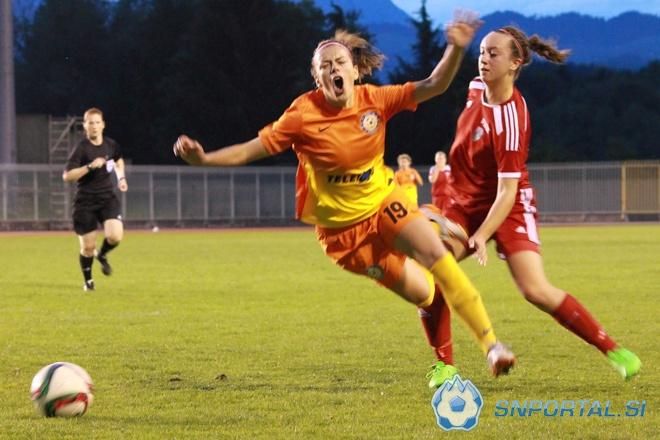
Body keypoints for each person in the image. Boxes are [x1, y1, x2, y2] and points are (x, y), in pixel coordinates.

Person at [174, 13, 517, 386]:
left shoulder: (376, 100)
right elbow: (248, 150)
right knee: (426, 293)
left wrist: (455, 48)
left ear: (355, 70)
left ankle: (491, 346)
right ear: (317, 77)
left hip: (385, 203)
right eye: (325, 66)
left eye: (339, 62)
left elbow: (434, 84)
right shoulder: (301, 115)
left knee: (438, 258)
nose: (333, 69)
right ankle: (444, 354)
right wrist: (204, 159)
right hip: (345, 236)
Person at [420, 26, 641, 380]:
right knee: (433, 275)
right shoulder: (475, 88)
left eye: (494, 54)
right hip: (464, 202)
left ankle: (614, 350)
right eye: (482, 52)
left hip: (508, 205)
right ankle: (445, 365)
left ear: (515, 63)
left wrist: (481, 235)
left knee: (535, 290)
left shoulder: (511, 119)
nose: (484, 59)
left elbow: (506, 192)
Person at [62, 108, 128, 291]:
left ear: (103, 125)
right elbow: (67, 176)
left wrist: (121, 178)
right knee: (88, 248)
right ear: (85, 126)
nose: (95, 126)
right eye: (90, 123)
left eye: (98, 122)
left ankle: (103, 255)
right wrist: (90, 166)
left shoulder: (111, 145)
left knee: (115, 236)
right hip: (85, 202)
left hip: (107, 198)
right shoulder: (81, 148)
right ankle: (88, 282)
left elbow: (118, 161)